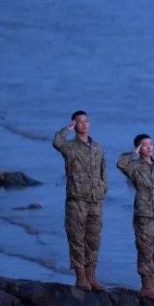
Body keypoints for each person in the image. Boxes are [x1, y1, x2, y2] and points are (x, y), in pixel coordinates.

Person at [52, 110, 108, 291]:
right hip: (77, 200)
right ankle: (80, 276)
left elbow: (103, 172)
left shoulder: (98, 147)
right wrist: (66, 129)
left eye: (86, 121)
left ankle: (92, 276)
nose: (84, 125)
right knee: (77, 238)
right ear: (74, 125)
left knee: (94, 239)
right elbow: (56, 142)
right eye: (80, 122)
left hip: (95, 200)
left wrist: (103, 192)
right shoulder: (70, 147)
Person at [116, 134, 154, 299]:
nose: (149, 147)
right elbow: (120, 163)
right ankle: (147, 286)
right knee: (145, 249)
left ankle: (151, 284)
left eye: (150, 144)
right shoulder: (134, 166)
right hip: (144, 214)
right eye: (144, 145)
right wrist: (134, 152)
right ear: (139, 148)